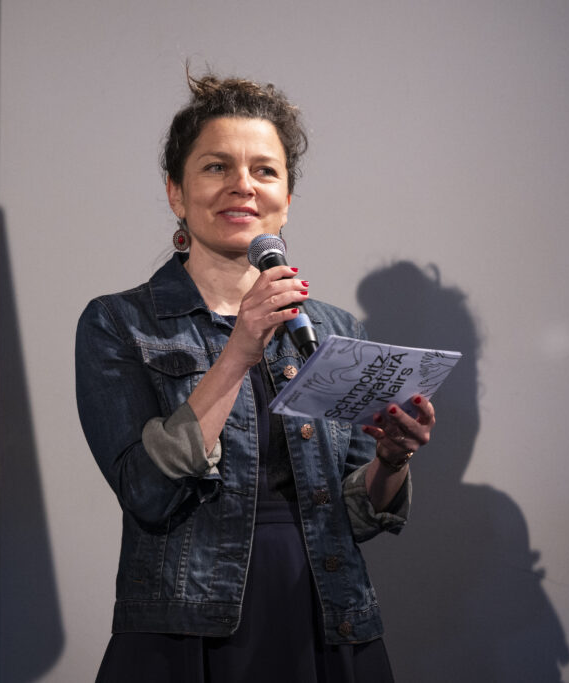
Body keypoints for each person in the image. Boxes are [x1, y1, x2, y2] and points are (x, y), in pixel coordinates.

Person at [75, 73, 436, 682]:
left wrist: (391, 461)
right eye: (217, 167)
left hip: (325, 612)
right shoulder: (119, 323)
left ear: (285, 199)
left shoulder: (333, 329)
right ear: (176, 192)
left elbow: (355, 517)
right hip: (188, 625)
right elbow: (147, 492)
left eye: (264, 171)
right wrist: (238, 352)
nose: (242, 185)